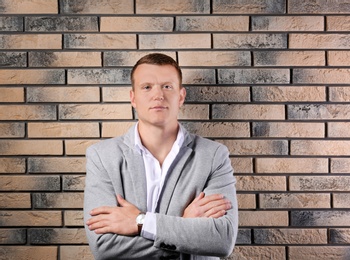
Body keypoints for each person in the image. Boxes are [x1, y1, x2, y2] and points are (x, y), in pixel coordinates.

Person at [83, 53, 238, 260]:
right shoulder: (102, 156)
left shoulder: (214, 155)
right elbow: (104, 247)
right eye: (147, 87)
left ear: (181, 96)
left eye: (167, 86)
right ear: (133, 98)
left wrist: (140, 222)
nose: (158, 95)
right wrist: (184, 225)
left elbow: (221, 240)